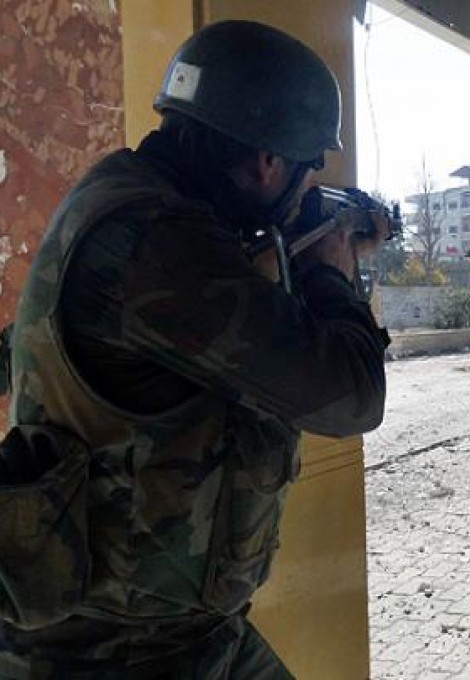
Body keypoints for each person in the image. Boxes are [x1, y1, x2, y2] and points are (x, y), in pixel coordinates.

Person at [0, 20, 389, 679]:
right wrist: (331, 268)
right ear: (267, 161)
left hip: (176, 629)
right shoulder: (153, 239)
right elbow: (350, 397)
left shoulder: (130, 201)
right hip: (112, 654)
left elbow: (190, 342)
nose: (302, 189)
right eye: (304, 170)